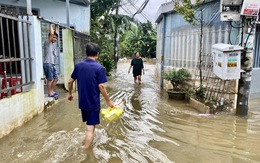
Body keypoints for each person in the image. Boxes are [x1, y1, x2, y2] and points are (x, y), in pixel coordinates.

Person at [67, 42, 114, 149]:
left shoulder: (78, 66)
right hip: (93, 103)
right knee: (90, 128)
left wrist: (70, 94)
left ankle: (88, 144)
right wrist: (109, 101)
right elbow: (101, 87)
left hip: (82, 103)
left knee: (88, 125)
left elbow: (70, 82)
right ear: (97, 54)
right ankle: (86, 152)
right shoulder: (99, 68)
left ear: (86, 53)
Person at [43, 23, 59, 97]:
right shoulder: (47, 42)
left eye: (56, 38)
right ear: (50, 37)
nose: (55, 39)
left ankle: (52, 91)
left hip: (52, 64)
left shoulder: (53, 44)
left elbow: (55, 33)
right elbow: (52, 33)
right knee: (49, 79)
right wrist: (50, 24)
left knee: (56, 78)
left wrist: (56, 26)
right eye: (53, 37)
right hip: (48, 63)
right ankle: (49, 92)